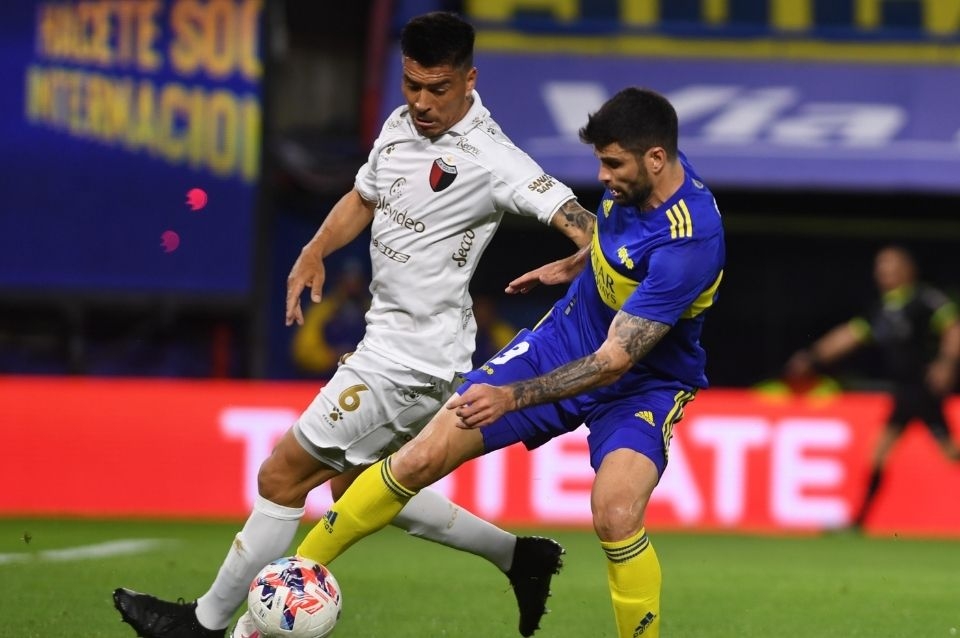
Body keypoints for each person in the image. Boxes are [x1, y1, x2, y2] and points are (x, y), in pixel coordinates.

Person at [113, 12, 596, 638]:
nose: (422, 103)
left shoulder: (493, 156)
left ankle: (201, 625)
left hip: (412, 362)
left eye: (438, 89)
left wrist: (581, 253)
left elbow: (581, 219)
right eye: (412, 85)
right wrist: (315, 248)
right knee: (357, 486)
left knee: (281, 476)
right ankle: (519, 557)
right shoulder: (399, 127)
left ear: (470, 80)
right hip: (387, 345)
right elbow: (364, 197)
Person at [287, 87, 726, 638]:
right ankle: (293, 577)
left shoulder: (691, 242)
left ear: (656, 158)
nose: (604, 176)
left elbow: (613, 361)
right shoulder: (641, 180)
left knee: (616, 514)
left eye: (613, 164)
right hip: (562, 339)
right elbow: (622, 246)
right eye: (601, 161)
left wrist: (511, 396)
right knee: (421, 458)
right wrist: (578, 262)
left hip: (644, 382)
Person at [785, 245, 960, 530]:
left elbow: (953, 328)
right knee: (880, 453)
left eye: (890, 267)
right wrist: (812, 357)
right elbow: (848, 336)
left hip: (925, 389)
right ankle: (858, 521)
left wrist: (946, 363)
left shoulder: (925, 300)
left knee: (948, 452)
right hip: (905, 393)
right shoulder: (881, 310)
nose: (883, 273)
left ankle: (858, 521)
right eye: (880, 267)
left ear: (908, 270)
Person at [290, 258, 370, 377]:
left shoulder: (373, 310)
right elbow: (303, 351)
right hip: (325, 378)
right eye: (348, 280)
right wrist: (332, 357)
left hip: (365, 377)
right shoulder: (321, 310)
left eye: (356, 281)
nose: (352, 286)